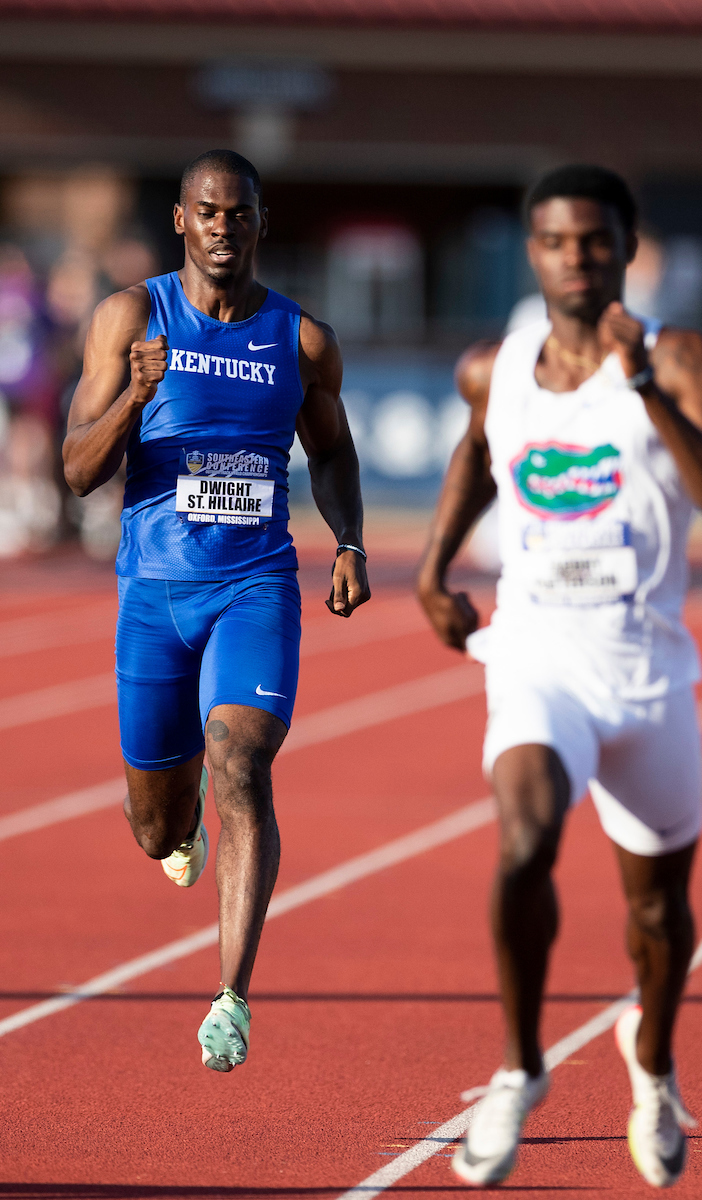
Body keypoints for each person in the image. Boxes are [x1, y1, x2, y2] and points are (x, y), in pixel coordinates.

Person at [417, 164, 702, 1189]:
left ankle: (648, 1065)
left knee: (656, 915)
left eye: (595, 242)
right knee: (522, 844)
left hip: (646, 674)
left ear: (624, 247)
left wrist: (645, 386)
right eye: (557, 243)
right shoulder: (495, 366)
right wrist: (434, 568)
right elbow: (477, 454)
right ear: (533, 252)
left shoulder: (678, 358)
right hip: (533, 658)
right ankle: (518, 1070)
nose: (576, 259)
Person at [63, 149, 369, 1073]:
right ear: (180, 221)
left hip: (255, 585)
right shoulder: (130, 318)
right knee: (154, 828)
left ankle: (231, 993)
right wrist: (135, 395)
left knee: (242, 761)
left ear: (260, 223)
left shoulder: (302, 340)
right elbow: (77, 470)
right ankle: (179, 819)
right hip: (154, 593)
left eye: (239, 213)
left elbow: (335, 454)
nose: (223, 228)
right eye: (207, 212)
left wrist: (349, 540)